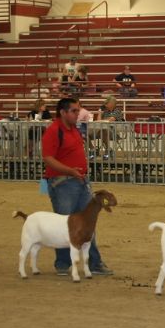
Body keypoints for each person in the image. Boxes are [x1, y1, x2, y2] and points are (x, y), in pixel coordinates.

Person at [41, 97, 112, 276]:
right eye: (73, 110)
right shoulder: (53, 131)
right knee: (64, 224)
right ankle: (63, 264)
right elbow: (48, 158)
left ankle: (94, 263)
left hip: (79, 181)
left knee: (88, 223)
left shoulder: (73, 129)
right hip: (63, 182)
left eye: (78, 110)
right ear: (63, 112)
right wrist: (70, 171)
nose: (77, 113)